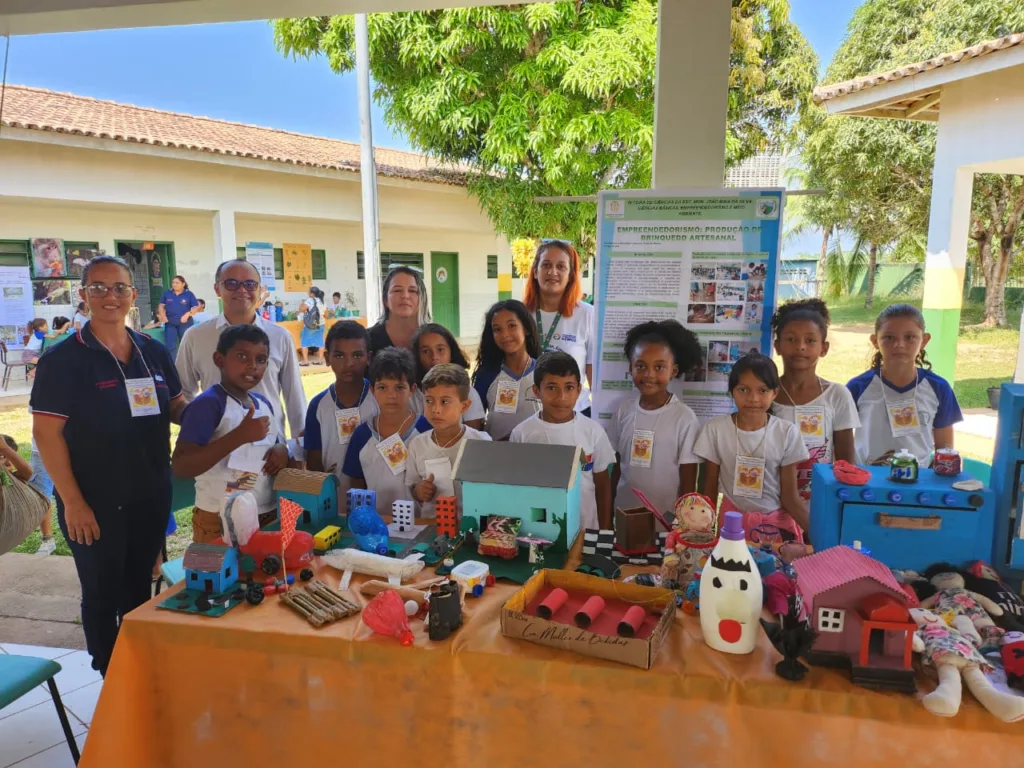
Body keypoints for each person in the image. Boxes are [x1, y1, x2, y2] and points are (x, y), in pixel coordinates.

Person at [31, 255, 185, 676]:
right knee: (100, 591)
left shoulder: (152, 350)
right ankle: (108, 671)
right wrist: (73, 502)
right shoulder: (63, 360)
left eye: (118, 287)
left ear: (133, 295)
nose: (109, 296)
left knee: (139, 584)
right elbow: (46, 435)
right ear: (83, 296)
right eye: (98, 287)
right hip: (93, 500)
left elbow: (176, 406)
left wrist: (223, 415)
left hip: (149, 493)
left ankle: (134, 667)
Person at [173, 325, 291, 543]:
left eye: (261, 359)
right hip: (216, 518)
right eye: (242, 356)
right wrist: (238, 436)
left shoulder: (263, 404)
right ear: (219, 359)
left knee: (263, 574)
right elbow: (181, 466)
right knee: (218, 576)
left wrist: (280, 449)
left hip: (264, 512)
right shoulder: (208, 405)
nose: (252, 366)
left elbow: (269, 444)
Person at [176, 259, 306, 439]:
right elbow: (183, 393)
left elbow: (295, 398)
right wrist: (198, 432)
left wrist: (299, 448)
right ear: (217, 289)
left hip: (271, 455)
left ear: (260, 290)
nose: (242, 290)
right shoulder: (196, 337)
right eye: (231, 283)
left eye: (250, 284)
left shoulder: (280, 336)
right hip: (216, 454)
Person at [694, 354, 809, 543]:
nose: (753, 398)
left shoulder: (787, 432)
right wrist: (703, 533)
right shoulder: (715, 429)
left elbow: (790, 497)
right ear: (732, 391)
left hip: (776, 528)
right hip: (731, 526)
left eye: (762, 390)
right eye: (743, 389)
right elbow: (710, 487)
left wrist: (822, 536)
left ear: (775, 393)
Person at [847, 303, 962, 466]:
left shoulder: (939, 388)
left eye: (909, 337)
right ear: (875, 341)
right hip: (867, 482)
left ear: (924, 340)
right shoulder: (857, 387)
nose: (899, 344)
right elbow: (840, 442)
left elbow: (945, 450)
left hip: (918, 484)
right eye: (889, 337)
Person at [608, 320, 703, 517]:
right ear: (630, 368)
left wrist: (684, 522)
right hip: (625, 517)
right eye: (640, 366)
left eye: (659, 367)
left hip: (667, 522)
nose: (649, 375)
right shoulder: (624, 411)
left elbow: (688, 480)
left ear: (673, 371)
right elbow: (615, 466)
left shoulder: (684, 418)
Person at [510, 351, 615, 530]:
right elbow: (517, 489)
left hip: (586, 529)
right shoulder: (522, 434)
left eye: (569, 387)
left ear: (579, 390)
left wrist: (604, 530)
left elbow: (603, 486)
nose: (562, 397)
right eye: (551, 388)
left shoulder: (593, 431)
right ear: (537, 391)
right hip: (540, 532)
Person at [771, 299, 860, 500]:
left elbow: (846, 463)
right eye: (791, 339)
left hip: (819, 502)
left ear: (824, 348)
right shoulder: (765, 394)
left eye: (810, 340)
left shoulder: (837, 394)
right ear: (777, 346)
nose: (800, 347)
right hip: (771, 503)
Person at [342, 348, 431, 518]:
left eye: (399, 387)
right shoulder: (361, 436)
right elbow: (356, 484)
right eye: (382, 387)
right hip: (375, 527)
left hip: (419, 526)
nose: (391, 395)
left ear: (412, 389)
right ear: (372, 390)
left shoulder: (426, 430)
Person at [522, 240, 596, 416]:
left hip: (575, 412)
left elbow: (593, 371)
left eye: (561, 266)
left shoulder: (587, 314)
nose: (552, 272)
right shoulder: (520, 314)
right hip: (529, 413)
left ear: (571, 275)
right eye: (546, 264)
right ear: (534, 271)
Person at [407, 364, 491, 517]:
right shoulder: (417, 445)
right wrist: (419, 491)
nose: (436, 409)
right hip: (431, 528)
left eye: (445, 402)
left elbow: (493, 492)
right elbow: (412, 488)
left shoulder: (481, 443)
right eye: (429, 400)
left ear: (464, 406)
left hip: (473, 528)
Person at [304, 321, 377, 485]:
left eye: (357, 355)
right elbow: (314, 463)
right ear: (327, 358)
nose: (349, 363)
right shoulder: (318, 406)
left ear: (369, 358)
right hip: (335, 500)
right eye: (339, 355)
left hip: (379, 498)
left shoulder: (380, 399)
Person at [472, 300, 542, 440]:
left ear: (526, 329)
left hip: (538, 454)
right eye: (497, 329)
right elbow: (475, 424)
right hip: (498, 456)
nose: (505, 334)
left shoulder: (544, 372)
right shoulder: (486, 375)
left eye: (512, 326)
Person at [411, 323, 485, 429]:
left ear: (451, 352)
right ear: (417, 355)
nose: (434, 357)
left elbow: (472, 440)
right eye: (426, 351)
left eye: (440, 349)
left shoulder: (468, 392)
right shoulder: (411, 393)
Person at [368, 266, 431, 355]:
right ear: (385, 299)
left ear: (422, 298)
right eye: (397, 290)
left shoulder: (435, 339)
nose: (405, 296)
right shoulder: (367, 340)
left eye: (412, 291)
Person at [158, 275, 200, 362]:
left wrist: (188, 314)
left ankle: (187, 364)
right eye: (173, 283)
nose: (174, 285)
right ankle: (174, 365)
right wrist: (163, 315)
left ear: (183, 284)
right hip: (170, 322)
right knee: (170, 345)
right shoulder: (167, 293)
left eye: (177, 283)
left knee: (185, 344)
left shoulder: (189, 294)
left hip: (185, 323)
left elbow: (196, 307)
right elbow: (161, 306)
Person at [299, 286, 327, 366]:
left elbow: (301, 309)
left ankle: (305, 361)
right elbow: (326, 315)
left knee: (304, 342)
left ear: (312, 294)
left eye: (309, 292)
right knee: (320, 342)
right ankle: (320, 360)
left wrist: (303, 302)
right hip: (321, 324)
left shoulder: (309, 300)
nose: (307, 293)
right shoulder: (322, 301)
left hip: (310, 325)